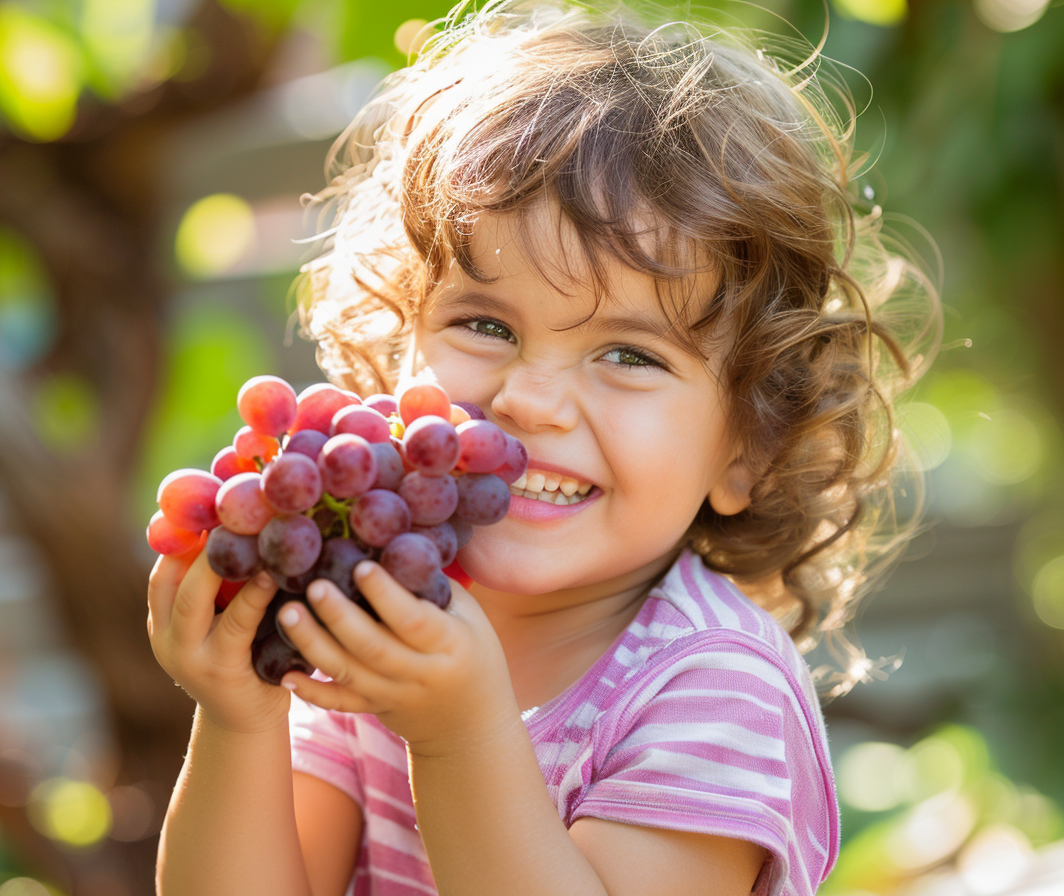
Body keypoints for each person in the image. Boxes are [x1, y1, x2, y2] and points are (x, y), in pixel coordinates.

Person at [147, 1, 941, 894]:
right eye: (484, 323)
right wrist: (238, 719)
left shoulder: (716, 690)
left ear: (747, 447)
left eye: (629, 354)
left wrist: (457, 735)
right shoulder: (374, 623)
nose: (529, 399)